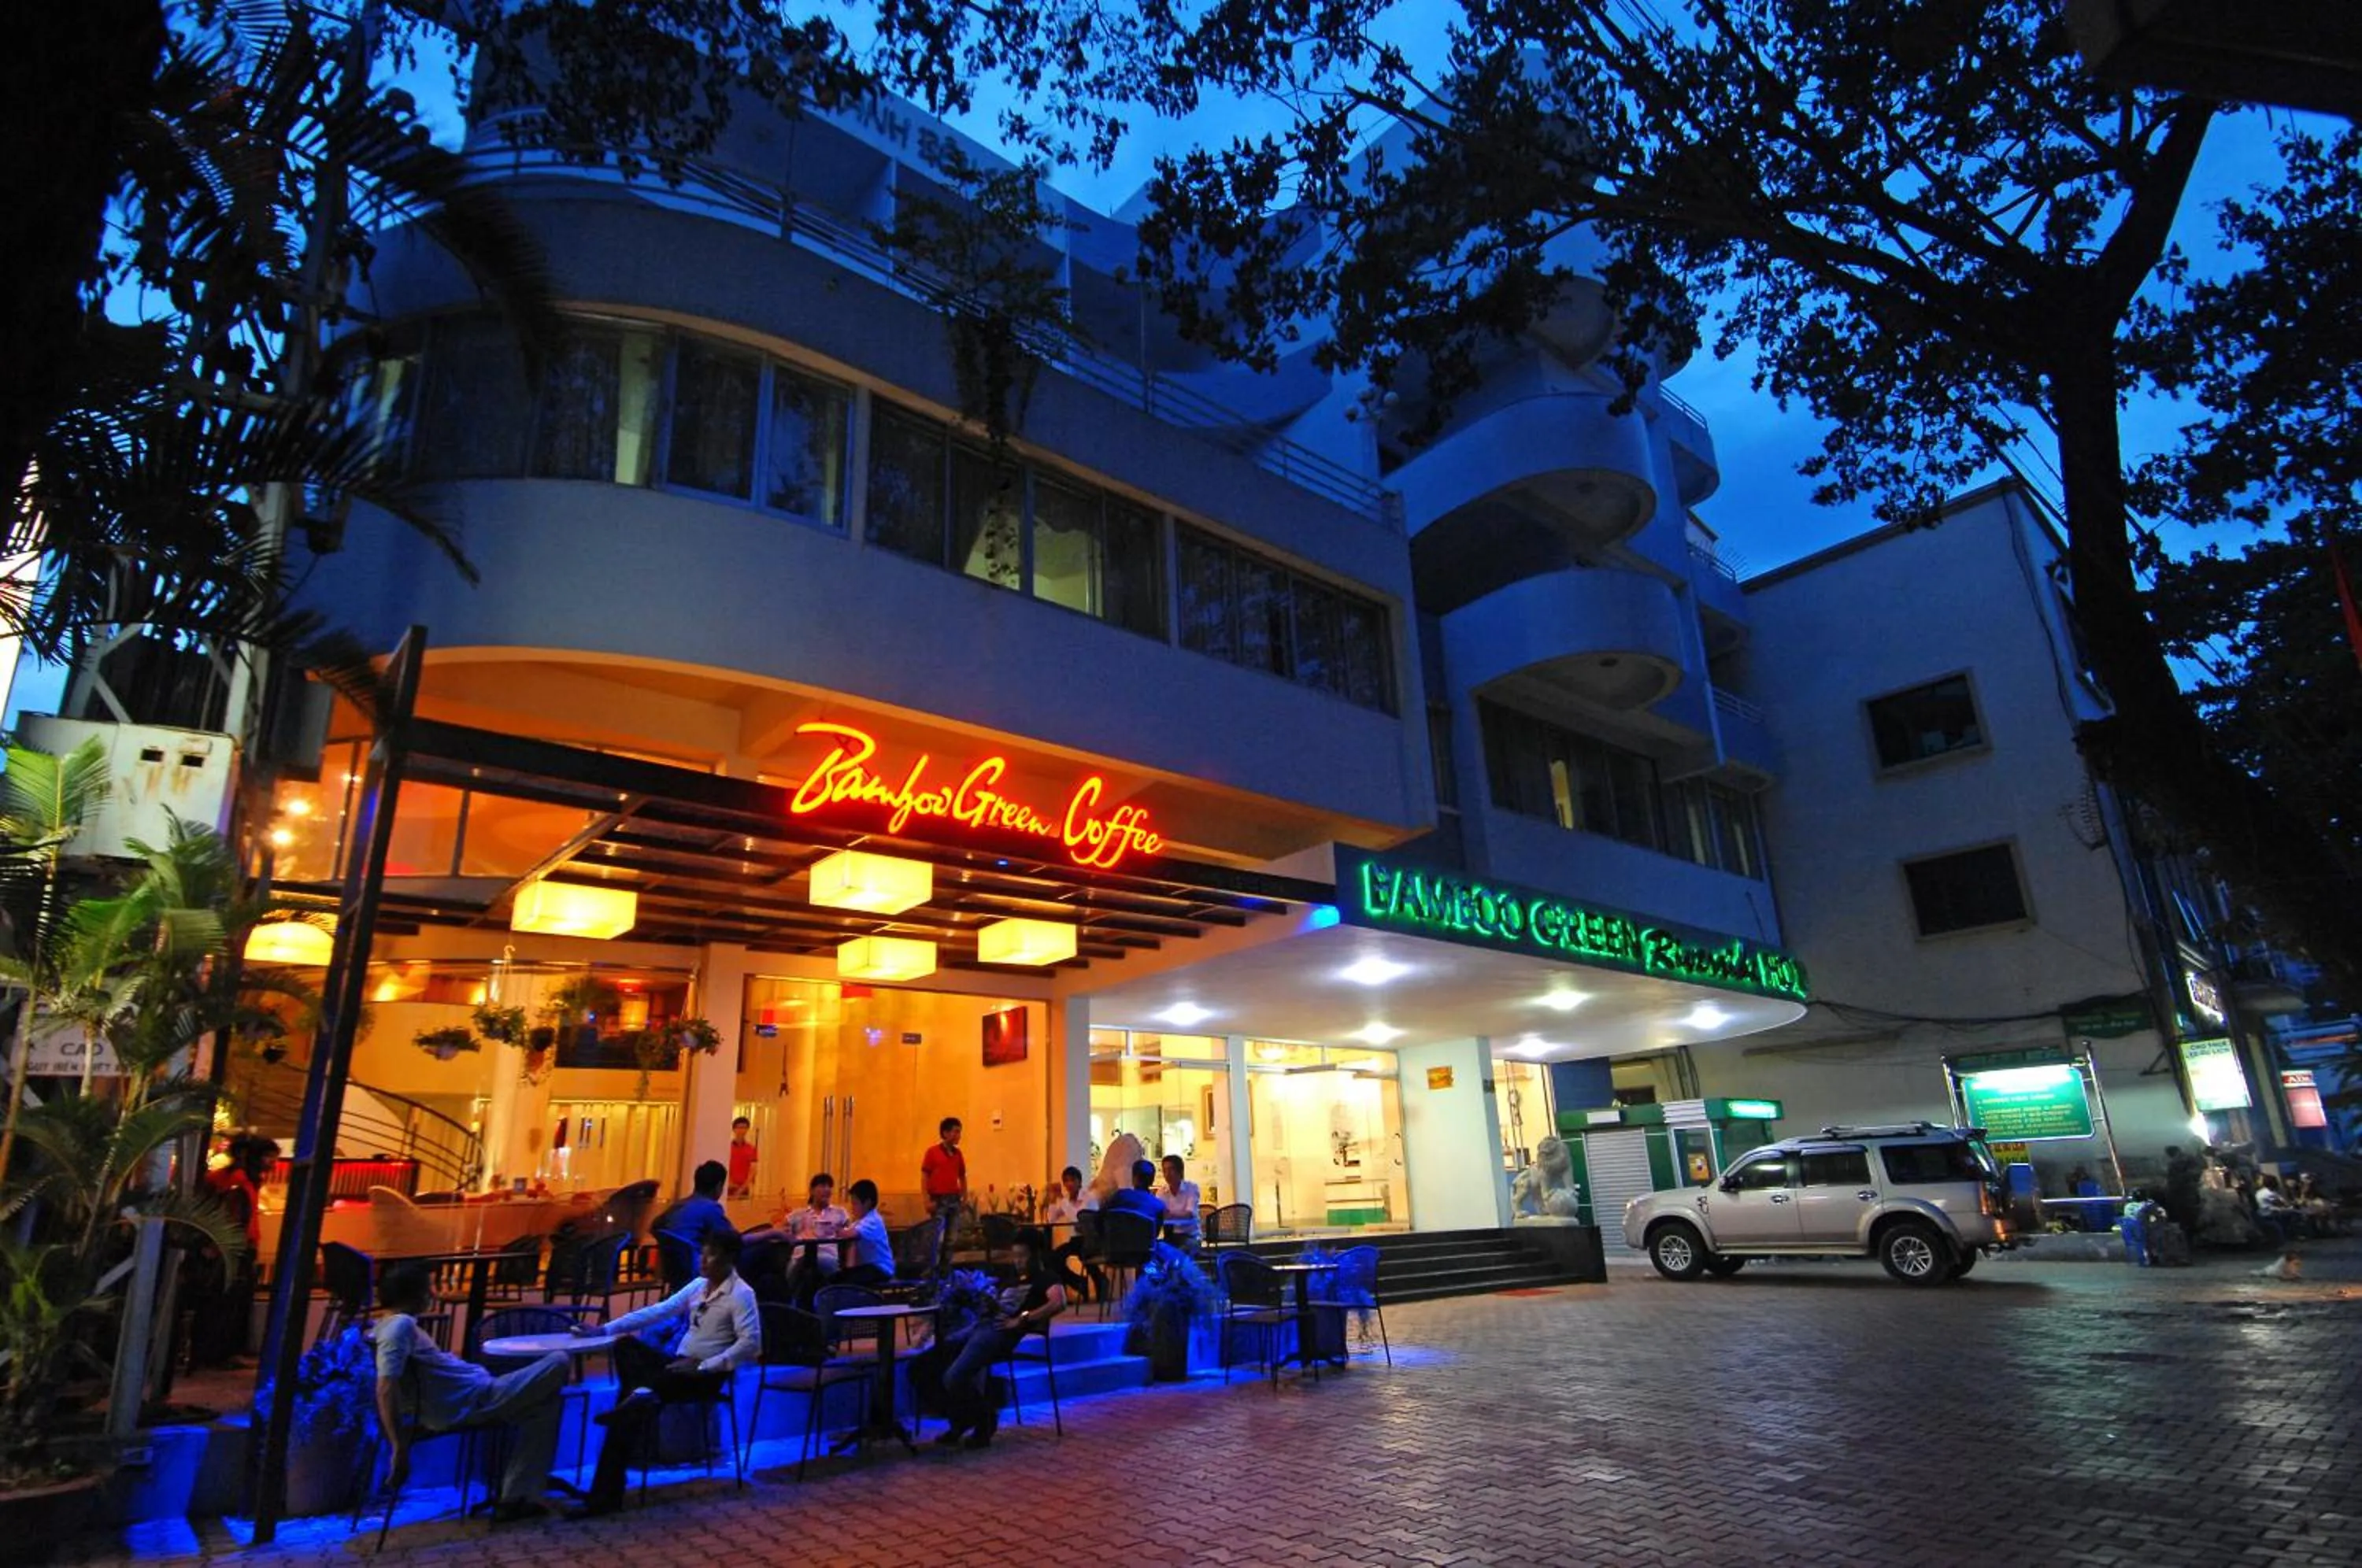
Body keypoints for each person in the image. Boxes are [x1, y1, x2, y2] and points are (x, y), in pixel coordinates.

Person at [576, 1229, 761, 1515]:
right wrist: (605, 1329)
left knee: (625, 1418)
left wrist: (704, 1365)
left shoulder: (741, 1295)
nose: (704, 1260)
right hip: (675, 1367)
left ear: (730, 1259)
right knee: (625, 1346)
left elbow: (751, 1344)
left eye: (712, 1255)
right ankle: (640, 1396)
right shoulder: (699, 1286)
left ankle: (638, 1400)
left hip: (703, 1376)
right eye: (704, 1252)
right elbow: (659, 1311)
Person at [374, 1261, 572, 1523]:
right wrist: (399, 1448)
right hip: (473, 1400)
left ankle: (514, 1499)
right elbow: (386, 1386)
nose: (433, 1294)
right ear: (413, 1293)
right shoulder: (399, 1327)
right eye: (428, 1288)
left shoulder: (392, 1325)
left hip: (474, 1394)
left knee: (546, 1407)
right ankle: (517, 1495)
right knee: (559, 1360)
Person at [925, 1226, 1067, 1450]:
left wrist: (1022, 1319)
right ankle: (960, 1422)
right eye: (1015, 1256)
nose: (1018, 1261)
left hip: (1000, 1334)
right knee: (930, 1362)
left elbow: (1059, 1302)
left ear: (1037, 1255)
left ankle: (985, 1419)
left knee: (953, 1377)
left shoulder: (1046, 1277)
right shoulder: (1012, 1278)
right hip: (983, 1326)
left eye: (1023, 1256)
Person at [190, 1134, 277, 1369]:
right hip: (232, 1249)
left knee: (221, 1304)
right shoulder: (237, 1182)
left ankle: (212, 1353)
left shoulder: (226, 1179)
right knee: (228, 1304)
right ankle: (220, 1354)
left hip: (227, 1248)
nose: (272, 1164)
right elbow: (233, 1218)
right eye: (269, 1157)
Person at [779, 1172, 850, 1304]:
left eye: (829, 1186)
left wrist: (840, 1231)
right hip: (800, 1257)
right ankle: (791, 1304)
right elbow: (781, 1230)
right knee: (801, 1263)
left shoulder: (840, 1213)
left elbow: (849, 1232)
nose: (827, 1190)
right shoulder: (798, 1214)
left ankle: (795, 1303)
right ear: (811, 1191)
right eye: (822, 1186)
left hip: (827, 1257)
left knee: (814, 1264)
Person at [652, 1160, 734, 1262]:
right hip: (698, 1268)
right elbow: (731, 1240)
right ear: (719, 1186)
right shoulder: (711, 1209)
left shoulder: (678, 1206)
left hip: (673, 1271)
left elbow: (654, 1227)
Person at [1040, 1166, 1100, 1300]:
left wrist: (1063, 1201)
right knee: (1052, 1259)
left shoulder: (1088, 1198)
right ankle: (1078, 1283)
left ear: (1079, 1182)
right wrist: (1052, 1200)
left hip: (1091, 1240)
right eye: (1066, 1181)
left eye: (1072, 1180)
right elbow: (1051, 1220)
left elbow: (1079, 1219)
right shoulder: (1066, 1200)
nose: (1069, 1184)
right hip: (1076, 1241)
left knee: (1087, 1260)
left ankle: (1095, 1283)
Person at [920, 1117, 968, 1275]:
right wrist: (926, 1199)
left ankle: (945, 1271)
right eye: (955, 1131)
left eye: (959, 1132)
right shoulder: (932, 1153)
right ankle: (932, 1270)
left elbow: (962, 1176)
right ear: (945, 1133)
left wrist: (964, 1197)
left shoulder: (958, 1154)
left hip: (954, 1199)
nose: (958, 1135)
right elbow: (925, 1176)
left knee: (951, 1239)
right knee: (937, 1239)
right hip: (938, 1200)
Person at [835, 1178, 897, 1290]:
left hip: (880, 1268)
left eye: (855, 1203)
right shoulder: (861, 1221)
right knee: (835, 1278)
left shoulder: (873, 1220)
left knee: (847, 1281)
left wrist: (835, 1229)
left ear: (867, 1203)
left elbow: (852, 1234)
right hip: (867, 1267)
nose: (852, 1208)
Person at [1102, 1158, 1167, 1228]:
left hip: (1117, 1238)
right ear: (1153, 1180)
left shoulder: (1118, 1197)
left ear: (1133, 1178)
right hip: (1144, 1239)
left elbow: (1102, 1218)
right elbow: (1155, 1233)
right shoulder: (1158, 1206)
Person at [1158, 1154, 1202, 1247]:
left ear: (1180, 1171)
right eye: (1165, 1170)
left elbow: (1190, 1213)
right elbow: (1160, 1213)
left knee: (1184, 1249)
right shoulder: (1162, 1192)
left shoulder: (1191, 1188)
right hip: (1170, 1235)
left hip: (1190, 1235)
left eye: (1171, 1169)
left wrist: (1170, 1215)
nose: (1167, 1174)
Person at [2163, 1145, 2203, 1238]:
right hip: (2192, 1190)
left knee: (2185, 1215)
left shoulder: (2174, 1163)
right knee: (2193, 1213)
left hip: (2181, 1193)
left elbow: (2173, 1180)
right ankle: (2195, 1234)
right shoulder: (2190, 1158)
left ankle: (2190, 1236)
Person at [726, 1118, 758, 1198]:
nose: (742, 1130)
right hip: (728, 1187)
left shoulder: (751, 1149)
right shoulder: (727, 1148)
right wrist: (730, 1183)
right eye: (739, 1127)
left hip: (744, 1189)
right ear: (734, 1129)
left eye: (744, 1127)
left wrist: (742, 1188)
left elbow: (753, 1170)